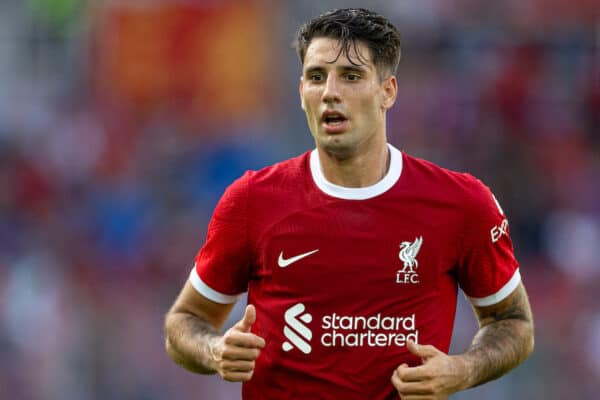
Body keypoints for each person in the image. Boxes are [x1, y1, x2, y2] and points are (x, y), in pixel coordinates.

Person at [164, 8, 534, 400]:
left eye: (351, 76)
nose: (330, 92)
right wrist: (215, 350)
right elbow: (186, 321)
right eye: (317, 77)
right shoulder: (252, 200)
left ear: (387, 91)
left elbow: (512, 321)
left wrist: (463, 369)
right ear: (301, 90)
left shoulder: (461, 203)